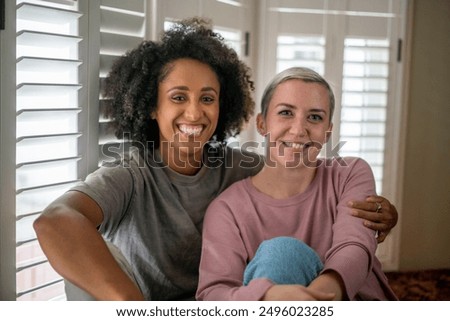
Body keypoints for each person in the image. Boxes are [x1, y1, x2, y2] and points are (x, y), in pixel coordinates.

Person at [33, 18, 398, 301]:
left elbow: (297, 173)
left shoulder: (242, 167)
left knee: (281, 255)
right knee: (79, 281)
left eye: (207, 98)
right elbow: (55, 222)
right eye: (178, 97)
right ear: (150, 106)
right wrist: (132, 306)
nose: (195, 112)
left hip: (235, 299)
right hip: (155, 304)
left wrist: (377, 213)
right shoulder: (129, 175)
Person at [196, 67, 398, 301]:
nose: (299, 129)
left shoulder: (350, 173)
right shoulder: (226, 209)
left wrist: (316, 298)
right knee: (282, 254)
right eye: (285, 112)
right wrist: (269, 297)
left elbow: (354, 246)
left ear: (328, 131)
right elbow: (214, 294)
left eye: (315, 117)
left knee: (283, 253)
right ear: (262, 124)